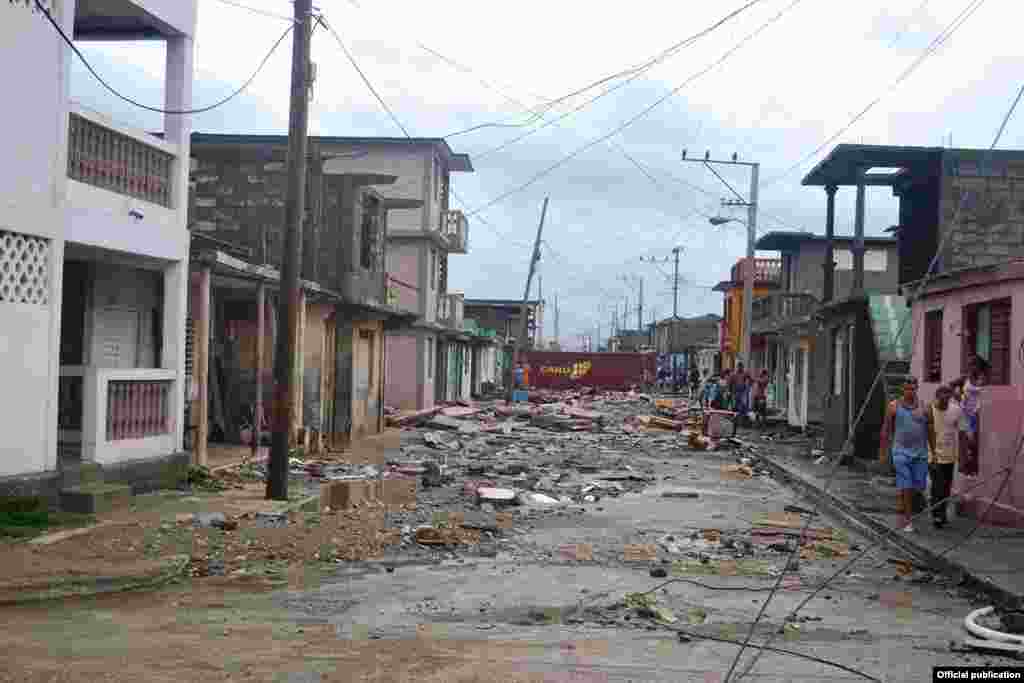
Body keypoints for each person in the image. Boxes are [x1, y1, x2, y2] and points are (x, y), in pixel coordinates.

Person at [879, 377, 930, 532]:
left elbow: (931, 430)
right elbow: (886, 430)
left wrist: (934, 450)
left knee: (918, 485)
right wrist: (883, 452)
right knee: (906, 485)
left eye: (913, 389)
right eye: (908, 389)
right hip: (900, 451)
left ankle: (906, 506)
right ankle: (908, 520)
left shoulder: (924, 407)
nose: (910, 391)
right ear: (903, 389)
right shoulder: (894, 406)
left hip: (920, 452)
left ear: (917, 389)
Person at [928, 384, 963, 528]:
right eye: (942, 398)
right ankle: (937, 515)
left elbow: (961, 430)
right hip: (933, 455)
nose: (945, 401)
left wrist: (962, 453)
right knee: (938, 486)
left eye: (947, 398)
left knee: (947, 487)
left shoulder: (955, 410)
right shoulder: (929, 410)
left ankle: (941, 512)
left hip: (950, 455)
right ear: (937, 397)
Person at [959, 359, 986, 477]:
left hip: (975, 414)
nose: (971, 367)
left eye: (974, 365)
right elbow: (952, 385)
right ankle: (966, 468)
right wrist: (958, 395)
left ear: (978, 366)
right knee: (967, 441)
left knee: (973, 441)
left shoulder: (982, 378)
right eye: (970, 365)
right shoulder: (966, 377)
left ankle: (973, 468)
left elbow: (982, 393)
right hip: (964, 413)